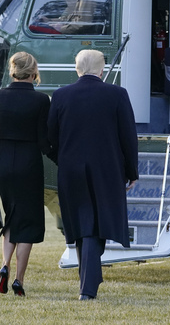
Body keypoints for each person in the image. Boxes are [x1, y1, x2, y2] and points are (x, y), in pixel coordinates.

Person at [47, 49, 139, 300]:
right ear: (102, 71)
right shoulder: (117, 94)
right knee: (94, 226)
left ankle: (87, 279)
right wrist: (132, 171)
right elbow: (128, 138)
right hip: (107, 170)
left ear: (77, 69)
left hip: (71, 170)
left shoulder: (61, 95)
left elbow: (51, 139)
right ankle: (88, 286)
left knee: (81, 224)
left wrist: (64, 161)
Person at [0, 51, 51, 297]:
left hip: (2, 162)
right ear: (33, 73)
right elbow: (44, 142)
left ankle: (4, 265)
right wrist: (62, 158)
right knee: (29, 219)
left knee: (11, 215)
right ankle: (19, 279)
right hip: (29, 162)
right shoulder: (42, 100)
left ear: (13, 71)